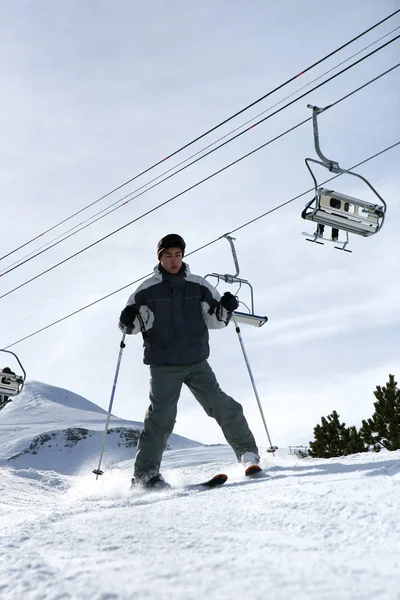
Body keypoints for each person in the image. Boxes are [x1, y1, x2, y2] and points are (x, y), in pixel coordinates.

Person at [119, 233, 260, 489]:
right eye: (168, 256)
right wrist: (128, 319)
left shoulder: (198, 285)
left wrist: (226, 306)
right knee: (161, 418)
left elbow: (215, 320)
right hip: (163, 365)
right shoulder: (147, 290)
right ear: (160, 257)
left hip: (196, 362)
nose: (173, 261)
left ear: (183, 256)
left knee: (222, 405)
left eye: (178, 255)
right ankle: (146, 475)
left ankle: (247, 454)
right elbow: (133, 327)